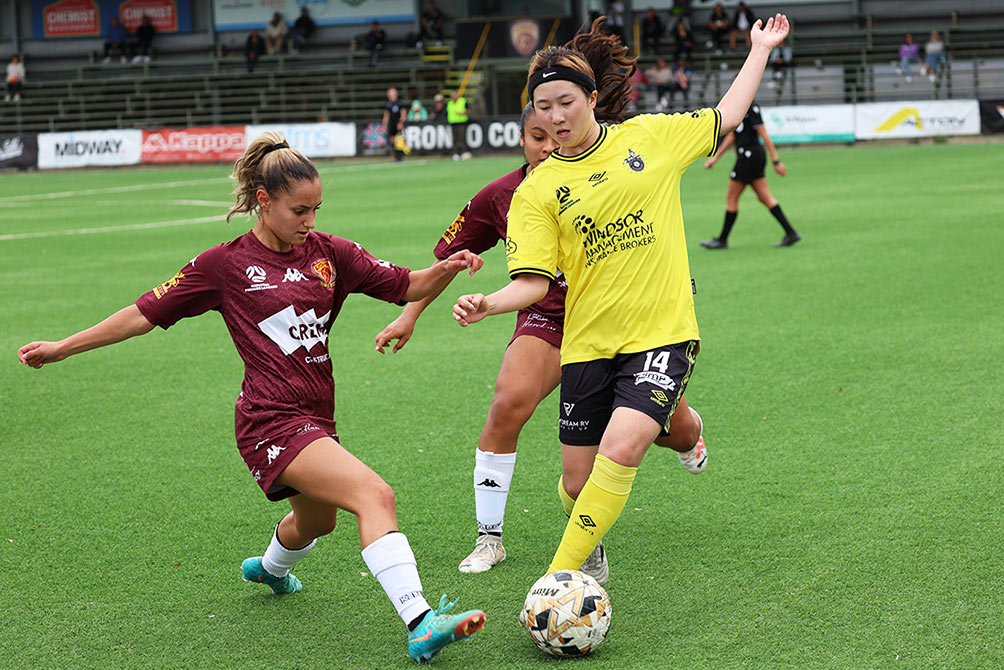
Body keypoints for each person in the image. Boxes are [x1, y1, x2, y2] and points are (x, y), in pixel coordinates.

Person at [17, 131, 487, 664]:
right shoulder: (224, 264)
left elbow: (410, 286)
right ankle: (422, 622)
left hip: (315, 416)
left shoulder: (331, 253)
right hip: (269, 420)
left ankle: (269, 568)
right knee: (374, 495)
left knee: (318, 523)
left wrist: (446, 269)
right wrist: (62, 348)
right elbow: (141, 314)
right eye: (298, 210)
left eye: (316, 209)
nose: (309, 220)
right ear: (263, 202)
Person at [452, 13, 789, 588]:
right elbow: (534, 283)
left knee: (625, 444)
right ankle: (606, 528)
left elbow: (728, 114)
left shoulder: (648, 137)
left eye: (565, 102)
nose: (555, 118)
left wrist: (759, 48)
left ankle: (557, 581)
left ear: (590, 96)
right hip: (587, 343)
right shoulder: (535, 191)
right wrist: (490, 302)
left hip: (661, 330)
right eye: (543, 108)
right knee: (578, 484)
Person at [377, 103, 706, 580]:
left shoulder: (605, 162)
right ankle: (490, 538)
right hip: (550, 320)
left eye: (553, 134)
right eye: (536, 136)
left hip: (626, 324)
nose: (548, 145)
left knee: (674, 429)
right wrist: (410, 315)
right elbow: (449, 258)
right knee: (508, 403)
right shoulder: (503, 196)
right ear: (523, 139)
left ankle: (689, 432)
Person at [700, 102, 801, 249]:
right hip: (753, 157)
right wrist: (716, 158)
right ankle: (791, 233)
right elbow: (734, 136)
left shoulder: (750, 108)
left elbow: (764, 135)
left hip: (748, 157)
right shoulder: (739, 108)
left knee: (731, 198)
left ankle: (722, 240)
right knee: (765, 197)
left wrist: (776, 160)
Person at [382, 87, 407, 161]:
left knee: (399, 140)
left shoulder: (400, 103)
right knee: (392, 140)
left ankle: (400, 156)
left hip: (398, 124)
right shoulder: (388, 104)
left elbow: (403, 113)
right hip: (391, 124)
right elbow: (386, 115)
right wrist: (384, 125)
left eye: (393, 93)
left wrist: (401, 122)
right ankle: (396, 156)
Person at [446, 89, 470, 160]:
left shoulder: (462, 101)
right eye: (452, 96)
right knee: (455, 139)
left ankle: (464, 153)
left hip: (461, 122)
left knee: (462, 138)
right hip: (453, 123)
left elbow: (468, 111)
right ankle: (455, 154)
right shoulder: (449, 103)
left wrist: (462, 113)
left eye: (455, 95)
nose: (454, 97)